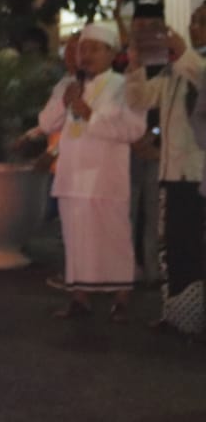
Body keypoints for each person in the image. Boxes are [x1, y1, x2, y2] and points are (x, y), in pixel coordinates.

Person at [37, 21, 148, 320]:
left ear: (112, 54)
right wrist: (66, 101)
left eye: (94, 49)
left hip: (105, 177)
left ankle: (122, 299)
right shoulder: (67, 84)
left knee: (114, 238)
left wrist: (91, 115)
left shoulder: (124, 85)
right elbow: (47, 123)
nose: (86, 55)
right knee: (76, 241)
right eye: (82, 48)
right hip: (71, 176)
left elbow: (134, 129)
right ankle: (79, 299)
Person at [126, 2, 198, 309]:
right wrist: (134, 66)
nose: (195, 28)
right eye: (193, 22)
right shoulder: (175, 69)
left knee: (195, 246)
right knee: (175, 245)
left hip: (196, 172)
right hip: (172, 170)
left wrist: (183, 54)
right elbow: (141, 98)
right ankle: (178, 312)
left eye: (202, 22)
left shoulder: (191, 65)